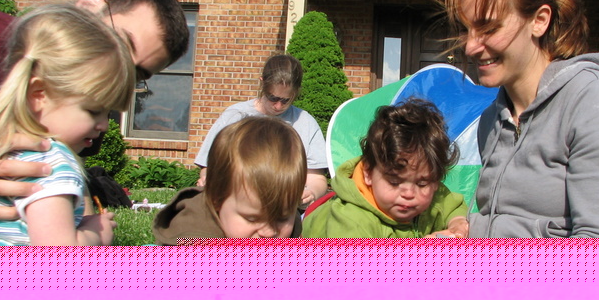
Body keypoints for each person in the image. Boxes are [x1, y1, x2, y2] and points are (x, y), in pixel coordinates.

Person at [0, 0, 189, 245]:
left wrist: (85, 225)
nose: (120, 71)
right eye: (120, 42)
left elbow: (66, 178)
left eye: (136, 74)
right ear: (88, 7)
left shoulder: (81, 114)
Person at [445, 0, 599, 237]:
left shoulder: (595, 102)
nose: (470, 47)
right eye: (466, 29)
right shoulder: (492, 120)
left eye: (488, 28)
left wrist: (480, 232)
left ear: (539, 21)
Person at [0, 3, 135, 245]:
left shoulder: (2, 150)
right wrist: (96, 233)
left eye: (108, 114)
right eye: (93, 111)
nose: (104, 125)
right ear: (38, 94)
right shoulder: (50, 161)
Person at [301, 98, 469, 238]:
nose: (409, 193)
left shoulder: (432, 197)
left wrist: (457, 223)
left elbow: (451, 206)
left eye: (422, 184)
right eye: (394, 182)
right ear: (368, 173)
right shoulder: (351, 220)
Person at [194, 54, 328, 208]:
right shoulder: (236, 115)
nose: (278, 106)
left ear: (296, 92)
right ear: (262, 83)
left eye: (286, 100)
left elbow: (316, 178)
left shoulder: (305, 123)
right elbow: (209, 165)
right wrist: (207, 180)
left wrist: (311, 193)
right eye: (273, 98)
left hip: (283, 209)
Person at [153, 116, 306, 242]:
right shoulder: (194, 231)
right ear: (217, 200)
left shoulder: (287, 220)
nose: (269, 232)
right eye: (252, 218)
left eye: (281, 218)